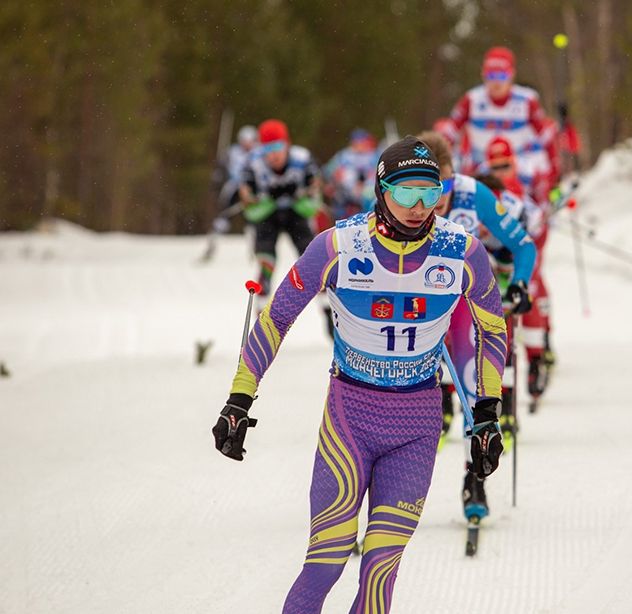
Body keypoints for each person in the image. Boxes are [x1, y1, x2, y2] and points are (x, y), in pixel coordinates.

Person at [212, 137, 506, 614]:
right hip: (351, 418)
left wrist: (487, 413)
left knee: (380, 572)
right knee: (326, 561)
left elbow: (492, 330)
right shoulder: (337, 246)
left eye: (430, 194)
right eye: (406, 194)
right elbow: (275, 319)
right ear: (380, 190)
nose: (418, 207)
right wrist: (238, 400)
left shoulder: (461, 252)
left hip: (416, 426)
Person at [417, 130, 535, 522]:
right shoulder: (401, 196)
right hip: (419, 301)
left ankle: (475, 477)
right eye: (434, 187)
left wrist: (518, 282)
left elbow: (524, 245)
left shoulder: (473, 194)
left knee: (475, 378)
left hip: (464, 296)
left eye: (447, 184)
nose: (442, 196)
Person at [486, 137, 555, 398]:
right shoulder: (486, 191)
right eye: (495, 168)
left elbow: (540, 223)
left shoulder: (523, 188)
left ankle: (537, 358)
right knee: (501, 310)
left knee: (530, 294)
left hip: (524, 251)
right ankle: (501, 371)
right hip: (497, 257)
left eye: (505, 166)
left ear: (513, 165)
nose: (500, 173)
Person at [442, 46, 556, 203]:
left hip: (515, 167)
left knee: (534, 179)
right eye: (491, 75)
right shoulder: (472, 99)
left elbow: (547, 138)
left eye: (502, 76)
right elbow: (448, 134)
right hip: (481, 166)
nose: (496, 82)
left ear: (511, 75)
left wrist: (552, 175)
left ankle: (534, 216)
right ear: (483, 74)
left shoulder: (527, 100)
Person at [238, 119, 322, 303]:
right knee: (266, 255)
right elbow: (246, 197)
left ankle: (327, 305)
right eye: (268, 149)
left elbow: (316, 189)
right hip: (269, 215)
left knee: (311, 257)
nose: (274, 154)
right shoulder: (253, 162)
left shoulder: (302, 158)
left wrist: (301, 194)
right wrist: (263, 197)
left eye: (278, 147)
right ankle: (261, 304)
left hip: (296, 213)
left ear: (287, 145)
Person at [323, 128, 380, 221]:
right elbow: (328, 171)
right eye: (357, 142)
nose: (360, 145)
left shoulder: (374, 155)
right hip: (345, 197)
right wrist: (332, 182)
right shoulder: (344, 155)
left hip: (367, 196)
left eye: (362, 142)